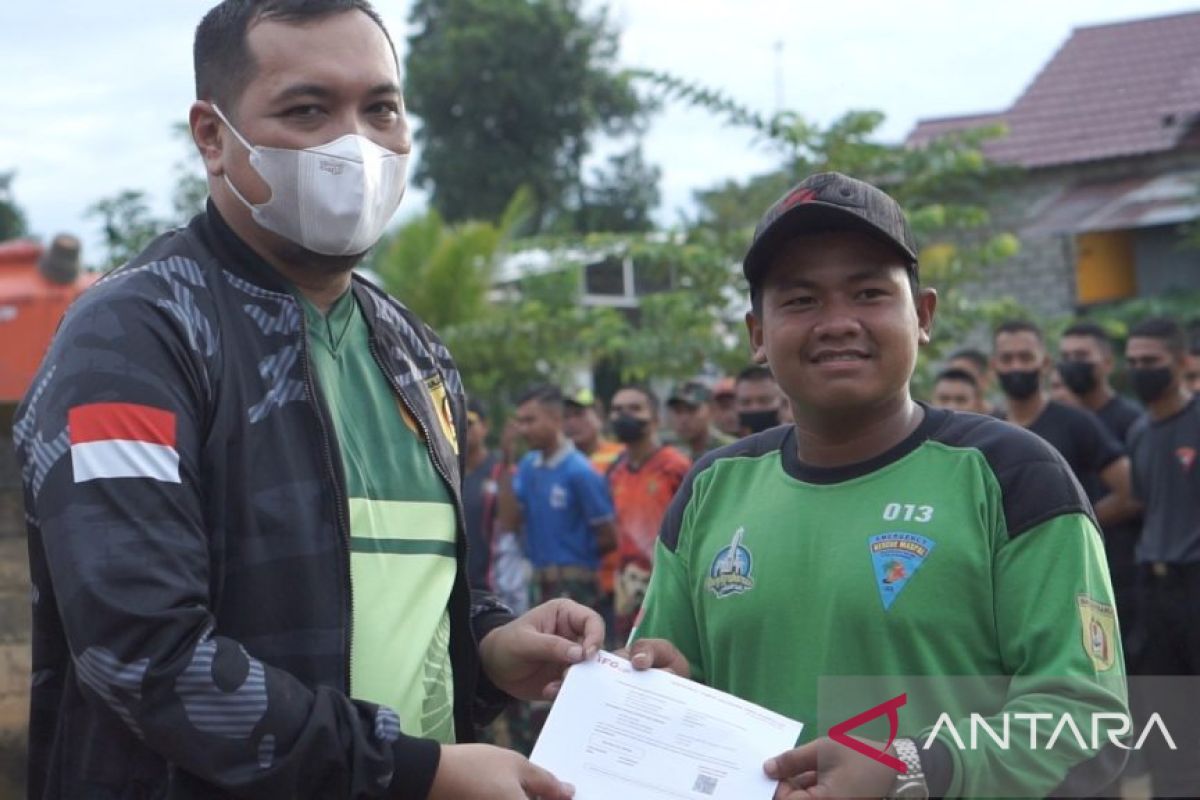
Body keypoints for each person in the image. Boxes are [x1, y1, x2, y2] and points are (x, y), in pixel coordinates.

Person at [11, 4, 597, 798]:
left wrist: (490, 645)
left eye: (380, 108)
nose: (353, 144)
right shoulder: (134, 341)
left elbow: (397, 588)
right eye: (307, 109)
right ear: (212, 136)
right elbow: (145, 653)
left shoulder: (415, 356)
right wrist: (413, 773)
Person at [627, 172, 1127, 799]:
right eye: (801, 300)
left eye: (867, 293)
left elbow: (1090, 719)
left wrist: (913, 770)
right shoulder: (712, 489)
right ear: (758, 334)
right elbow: (666, 695)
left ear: (922, 316)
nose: (837, 323)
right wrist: (658, 693)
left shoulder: (1014, 475)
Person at [1124, 317, 1200, 797]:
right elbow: (1144, 504)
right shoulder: (1136, 432)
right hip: (1154, 589)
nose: (1140, 371)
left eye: (1151, 362)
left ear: (1183, 362)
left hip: (1196, 582)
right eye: (1132, 363)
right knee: (1168, 717)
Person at [993, 319, 1140, 531]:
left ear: (1045, 363)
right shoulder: (987, 429)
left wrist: (1077, 526)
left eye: (1026, 357)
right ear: (994, 364)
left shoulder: (1077, 422)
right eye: (1007, 358)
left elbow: (1129, 491)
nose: (1016, 366)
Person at [1057, 321, 1144, 638]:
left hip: (1125, 564)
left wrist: (1078, 522)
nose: (1072, 364)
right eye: (1065, 356)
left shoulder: (1132, 421)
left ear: (1107, 363)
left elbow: (1137, 494)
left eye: (1082, 355)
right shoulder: (1062, 420)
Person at [502, 385, 616, 610]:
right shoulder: (527, 466)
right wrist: (507, 462)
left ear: (555, 419)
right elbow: (509, 522)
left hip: (575, 586)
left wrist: (575, 561)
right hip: (537, 582)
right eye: (520, 421)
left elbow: (609, 537)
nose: (523, 430)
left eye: (530, 421)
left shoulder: (580, 471)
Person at [606, 385, 691, 642]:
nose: (624, 416)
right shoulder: (616, 470)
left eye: (634, 409)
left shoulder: (675, 467)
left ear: (655, 419)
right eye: (617, 410)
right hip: (626, 590)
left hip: (665, 588)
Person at [666, 380, 735, 460]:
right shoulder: (671, 452)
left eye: (691, 409)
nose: (684, 419)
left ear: (711, 410)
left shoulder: (729, 450)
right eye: (678, 411)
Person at [562, 387, 623, 471]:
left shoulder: (621, 456)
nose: (571, 423)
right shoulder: (559, 461)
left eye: (579, 414)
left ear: (599, 417)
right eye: (566, 416)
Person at [946, 347, 1000, 415]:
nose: (956, 383)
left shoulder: (1004, 421)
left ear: (984, 380)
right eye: (951, 376)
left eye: (964, 376)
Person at [734, 364, 785, 436]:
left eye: (764, 401)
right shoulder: (727, 445)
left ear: (782, 402)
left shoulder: (799, 444)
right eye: (745, 402)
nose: (755, 408)